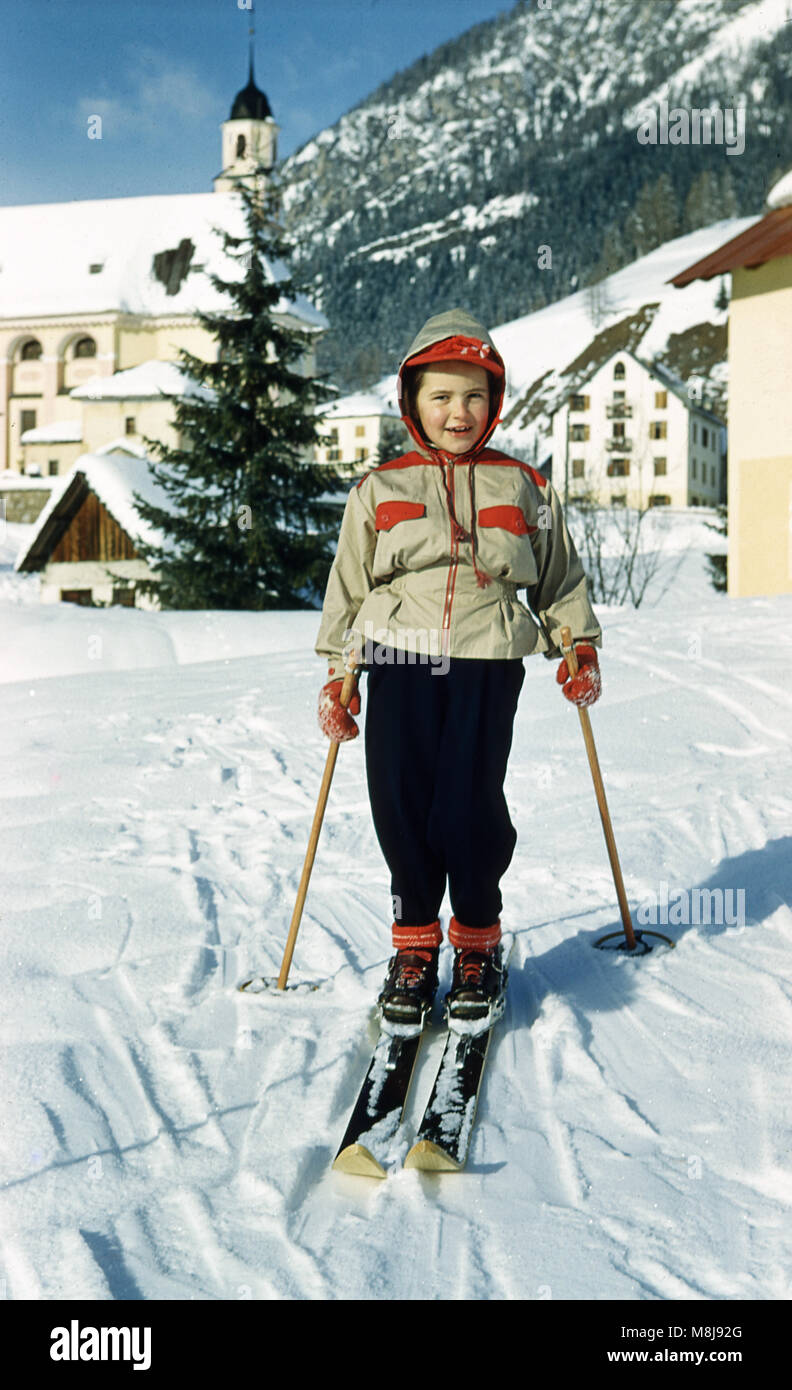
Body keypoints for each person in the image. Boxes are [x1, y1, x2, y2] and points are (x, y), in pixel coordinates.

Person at [315, 308, 601, 1026]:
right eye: (441, 395)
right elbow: (348, 588)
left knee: (469, 804)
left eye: (474, 395)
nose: (458, 411)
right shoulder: (378, 488)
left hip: (487, 654)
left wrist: (577, 644)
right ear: (412, 401)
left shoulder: (523, 486)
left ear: (495, 401)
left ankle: (476, 942)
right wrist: (337, 672)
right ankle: (414, 947)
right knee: (402, 802)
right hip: (395, 653)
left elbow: (559, 582)